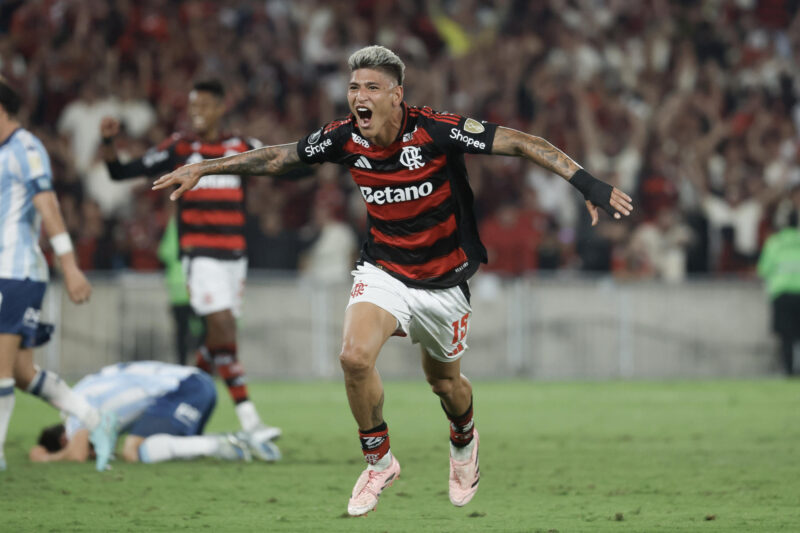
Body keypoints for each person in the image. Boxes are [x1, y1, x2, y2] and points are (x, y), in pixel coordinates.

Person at [153, 45, 633, 516]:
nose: (359, 95)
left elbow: (523, 143)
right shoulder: (344, 138)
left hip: (444, 283)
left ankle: (464, 442)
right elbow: (281, 158)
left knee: (446, 385)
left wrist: (588, 184)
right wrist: (206, 168)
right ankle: (379, 461)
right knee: (354, 356)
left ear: (396, 95)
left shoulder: (437, 130)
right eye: (353, 86)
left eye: (372, 87)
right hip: (385, 271)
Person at [99, 79, 281, 461]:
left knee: (217, 344)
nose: (196, 112)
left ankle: (183, 394)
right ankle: (251, 422)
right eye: (192, 106)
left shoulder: (242, 147)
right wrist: (109, 145)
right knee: (223, 329)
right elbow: (121, 172)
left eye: (203, 106)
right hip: (200, 256)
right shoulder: (180, 147)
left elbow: (284, 167)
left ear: (220, 108)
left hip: (235, 258)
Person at [0, 76, 115, 472]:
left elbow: (48, 207)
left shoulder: (26, 148)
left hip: (16, 271)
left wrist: (69, 266)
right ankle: (98, 420)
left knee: (0, 367)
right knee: (20, 371)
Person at [29, 360, 264, 465]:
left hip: (182, 390)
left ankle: (228, 443)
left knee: (133, 450)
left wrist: (45, 457)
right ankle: (224, 444)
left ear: (63, 439)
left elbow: (76, 455)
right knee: (165, 447)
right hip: (197, 383)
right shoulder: (88, 384)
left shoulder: (73, 413)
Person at [757, 204, 800, 376]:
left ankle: (789, 372)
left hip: (782, 293)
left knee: (786, 337)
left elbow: (763, 269)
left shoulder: (774, 243)